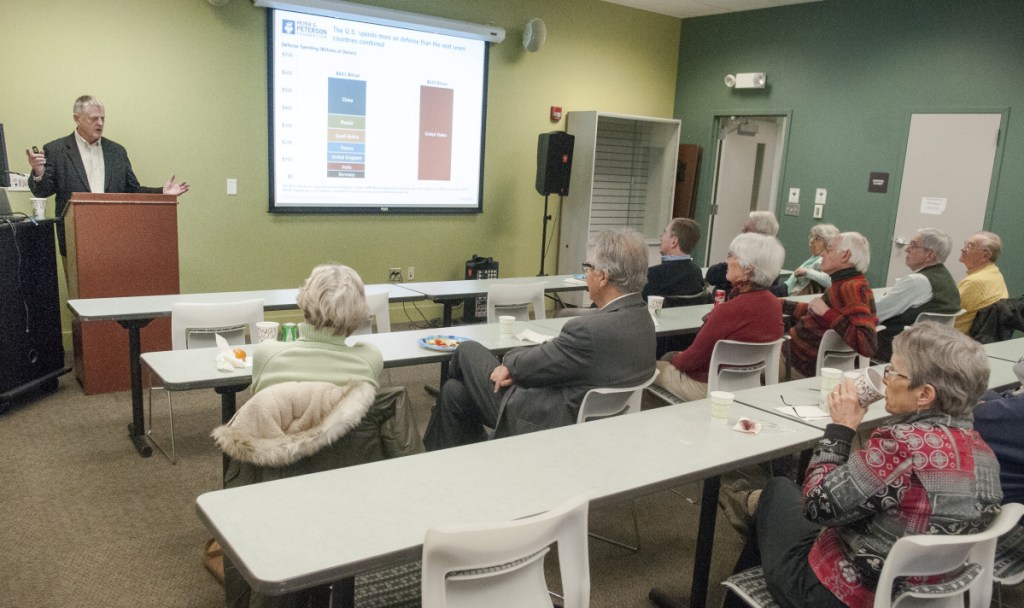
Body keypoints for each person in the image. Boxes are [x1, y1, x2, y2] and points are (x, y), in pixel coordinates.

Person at [725, 323, 1003, 608]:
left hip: (844, 594)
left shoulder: (901, 445)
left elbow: (815, 505)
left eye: (893, 371)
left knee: (778, 491)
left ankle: (740, 594)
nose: (886, 379)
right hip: (923, 596)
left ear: (924, 394)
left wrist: (841, 429)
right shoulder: (983, 454)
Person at [219, 263, 422, 608]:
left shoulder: (268, 356)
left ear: (304, 304)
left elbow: (263, 404)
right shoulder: (370, 360)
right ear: (359, 313)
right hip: (350, 493)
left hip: (280, 492)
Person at [422, 229, 656, 450]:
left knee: (467, 350)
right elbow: (558, 360)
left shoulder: (587, 330)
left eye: (588, 267)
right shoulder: (642, 319)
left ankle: (453, 457)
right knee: (454, 393)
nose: (586, 273)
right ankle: (462, 455)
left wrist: (508, 364)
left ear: (603, 277)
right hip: (588, 413)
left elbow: (530, 366)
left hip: (544, 418)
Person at [25, 95, 190, 256]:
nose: (100, 123)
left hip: (114, 238)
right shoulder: (56, 150)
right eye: (94, 118)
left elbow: (132, 190)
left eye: (103, 118)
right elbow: (42, 191)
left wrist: (163, 193)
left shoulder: (117, 152)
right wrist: (39, 171)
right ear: (77, 119)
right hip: (74, 238)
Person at [654, 233, 784, 401]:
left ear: (748, 268)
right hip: (748, 385)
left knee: (647, 372)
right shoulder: (774, 304)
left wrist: (673, 358)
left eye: (731, 256)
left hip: (709, 387)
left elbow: (690, 361)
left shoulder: (729, 310)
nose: (727, 261)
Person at [783, 232, 877, 378]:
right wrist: (779, 304)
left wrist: (827, 313)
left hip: (797, 364)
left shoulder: (850, 289)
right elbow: (816, 313)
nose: (822, 254)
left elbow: (867, 343)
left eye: (829, 250)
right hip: (799, 357)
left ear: (845, 255)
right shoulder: (846, 283)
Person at [874, 227, 960, 361]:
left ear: (930, 255)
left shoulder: (916, 281)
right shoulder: (948, 280)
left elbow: (876, 313)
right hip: (931, 350)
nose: (907, 249)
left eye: (913, 245)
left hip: (896, 347)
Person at [706, 210, 779, 294]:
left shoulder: (746, 258)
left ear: (759, 234)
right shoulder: (774, 259)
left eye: (747, 229)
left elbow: (712, 276)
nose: (742, 230)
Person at [954, 231, 1008, 334]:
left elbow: (946, 313)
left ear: (985, 255)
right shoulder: (995, 274)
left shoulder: (974, 282)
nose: (963, 249)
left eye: (970, 246)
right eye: (965, 244)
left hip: (954, 340)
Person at [642, 218, 705, 303]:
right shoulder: (697, 273)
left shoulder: (652, 275)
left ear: (674, 241)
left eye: (664, 233)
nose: (661, 238)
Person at [783, 223, 839, 296]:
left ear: (828, 243)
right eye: (812, 237)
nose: (811, 241)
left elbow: (829, 281)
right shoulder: (813, 258)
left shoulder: (824, 260)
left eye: (817, 239)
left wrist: (808, 272)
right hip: (787, 289)